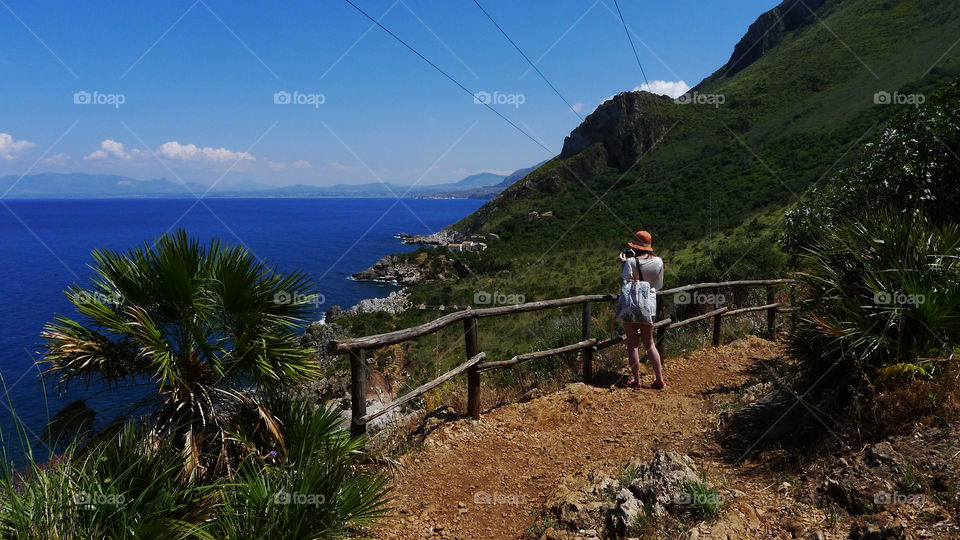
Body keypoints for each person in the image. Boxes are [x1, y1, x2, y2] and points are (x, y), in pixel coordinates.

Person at [617, 230, 666, 390]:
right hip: (648, 305)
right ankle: (659, 379)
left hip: (631, 306)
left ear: (635, 246)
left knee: (633, 345)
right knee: (650, 343)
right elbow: (658, 285)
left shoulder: (631, 262)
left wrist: (625, 263)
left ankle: (637, 381)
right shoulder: (658, 261)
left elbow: (625, 283)